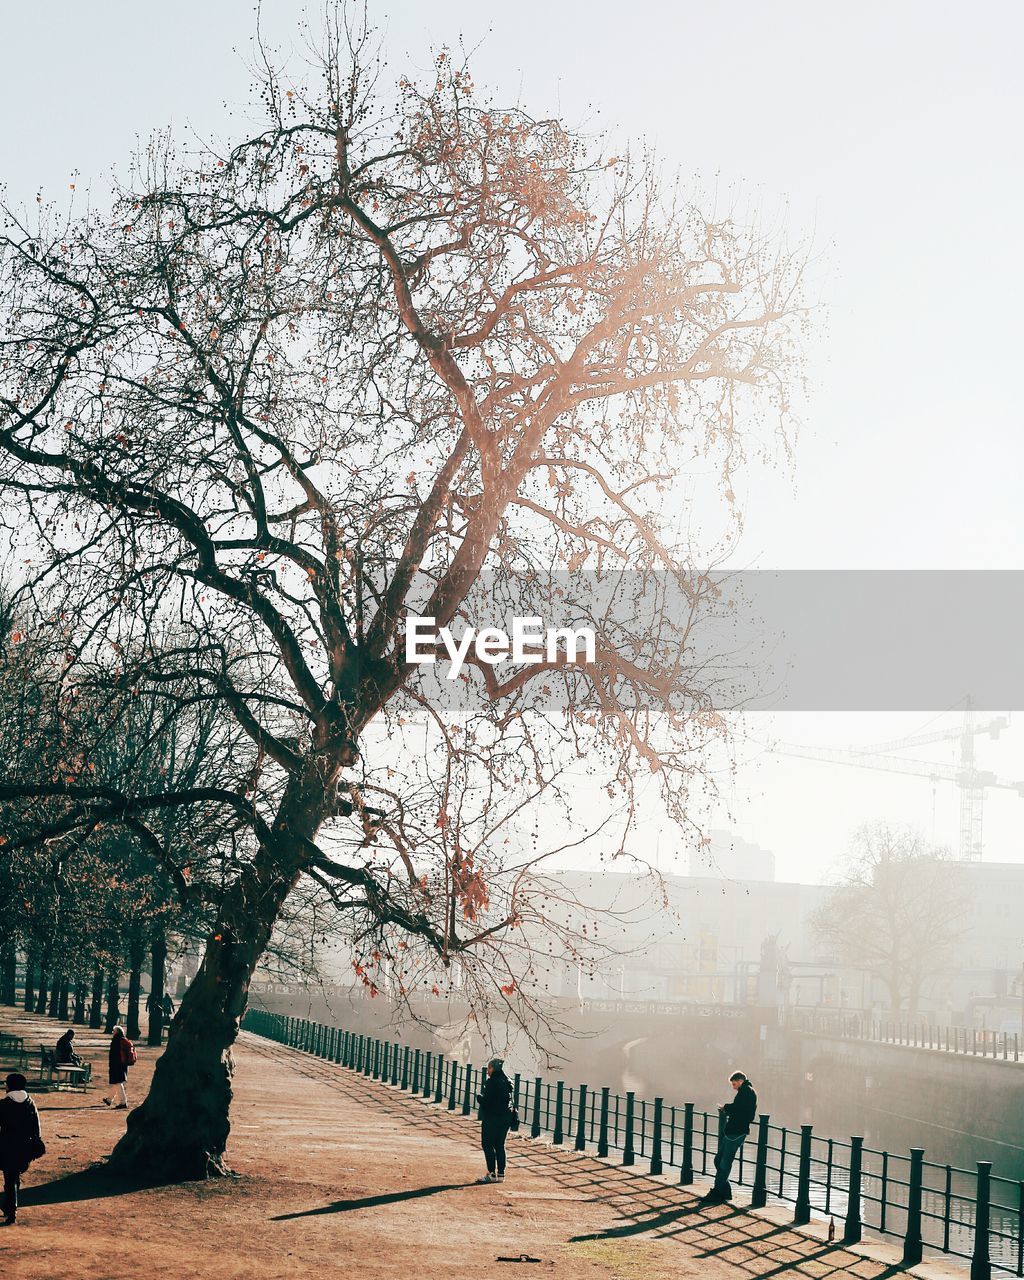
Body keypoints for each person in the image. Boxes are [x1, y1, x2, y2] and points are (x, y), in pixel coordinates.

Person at [701, 1070, 757, 1205]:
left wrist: (726, 1107)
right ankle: (725, 1190)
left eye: (734, 1084)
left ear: (740, 1081)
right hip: (733, 1131)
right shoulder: (745, 1092)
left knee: (724, 1163)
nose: (733, 1086)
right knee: (718, 1160)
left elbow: (740, 1110)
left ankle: (718, 1192)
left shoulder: (747, 1092)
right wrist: (728, 1108)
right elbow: (740, 1108)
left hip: (737, 1132)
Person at [0, 1072, 42, 1226]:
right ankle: (8, 1206)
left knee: (9, 1179)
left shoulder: (3, 1104)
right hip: (25, 1147)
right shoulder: (30, 1102)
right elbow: (36, 1125)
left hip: (7, 1146)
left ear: (10, 1086)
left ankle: (11, 1210)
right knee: (14, 1176)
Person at [474, 1056, 514, 1184]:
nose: (487, 1071)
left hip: (492, 1118)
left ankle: (491, 1173)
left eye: (489, 1068)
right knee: (500, 1145)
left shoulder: (491, 1082)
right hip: (505, 1118)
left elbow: (487, 1101)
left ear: (493, 1069)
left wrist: (479, 1097)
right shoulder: (507, 1082)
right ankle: (501, 1174)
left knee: (487, 1144)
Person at [102, 1025, 135, 1110]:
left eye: (114, 1031)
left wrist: (112, 1065)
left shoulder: (116, 1040)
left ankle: (123, 1102)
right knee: (117, 1083)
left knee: (118, 1082)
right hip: (123, 1065)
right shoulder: (123, 1040)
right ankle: (109, 1099)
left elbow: (114, 1055)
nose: (113, 1032)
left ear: (116, 1032)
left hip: (117, 1065)